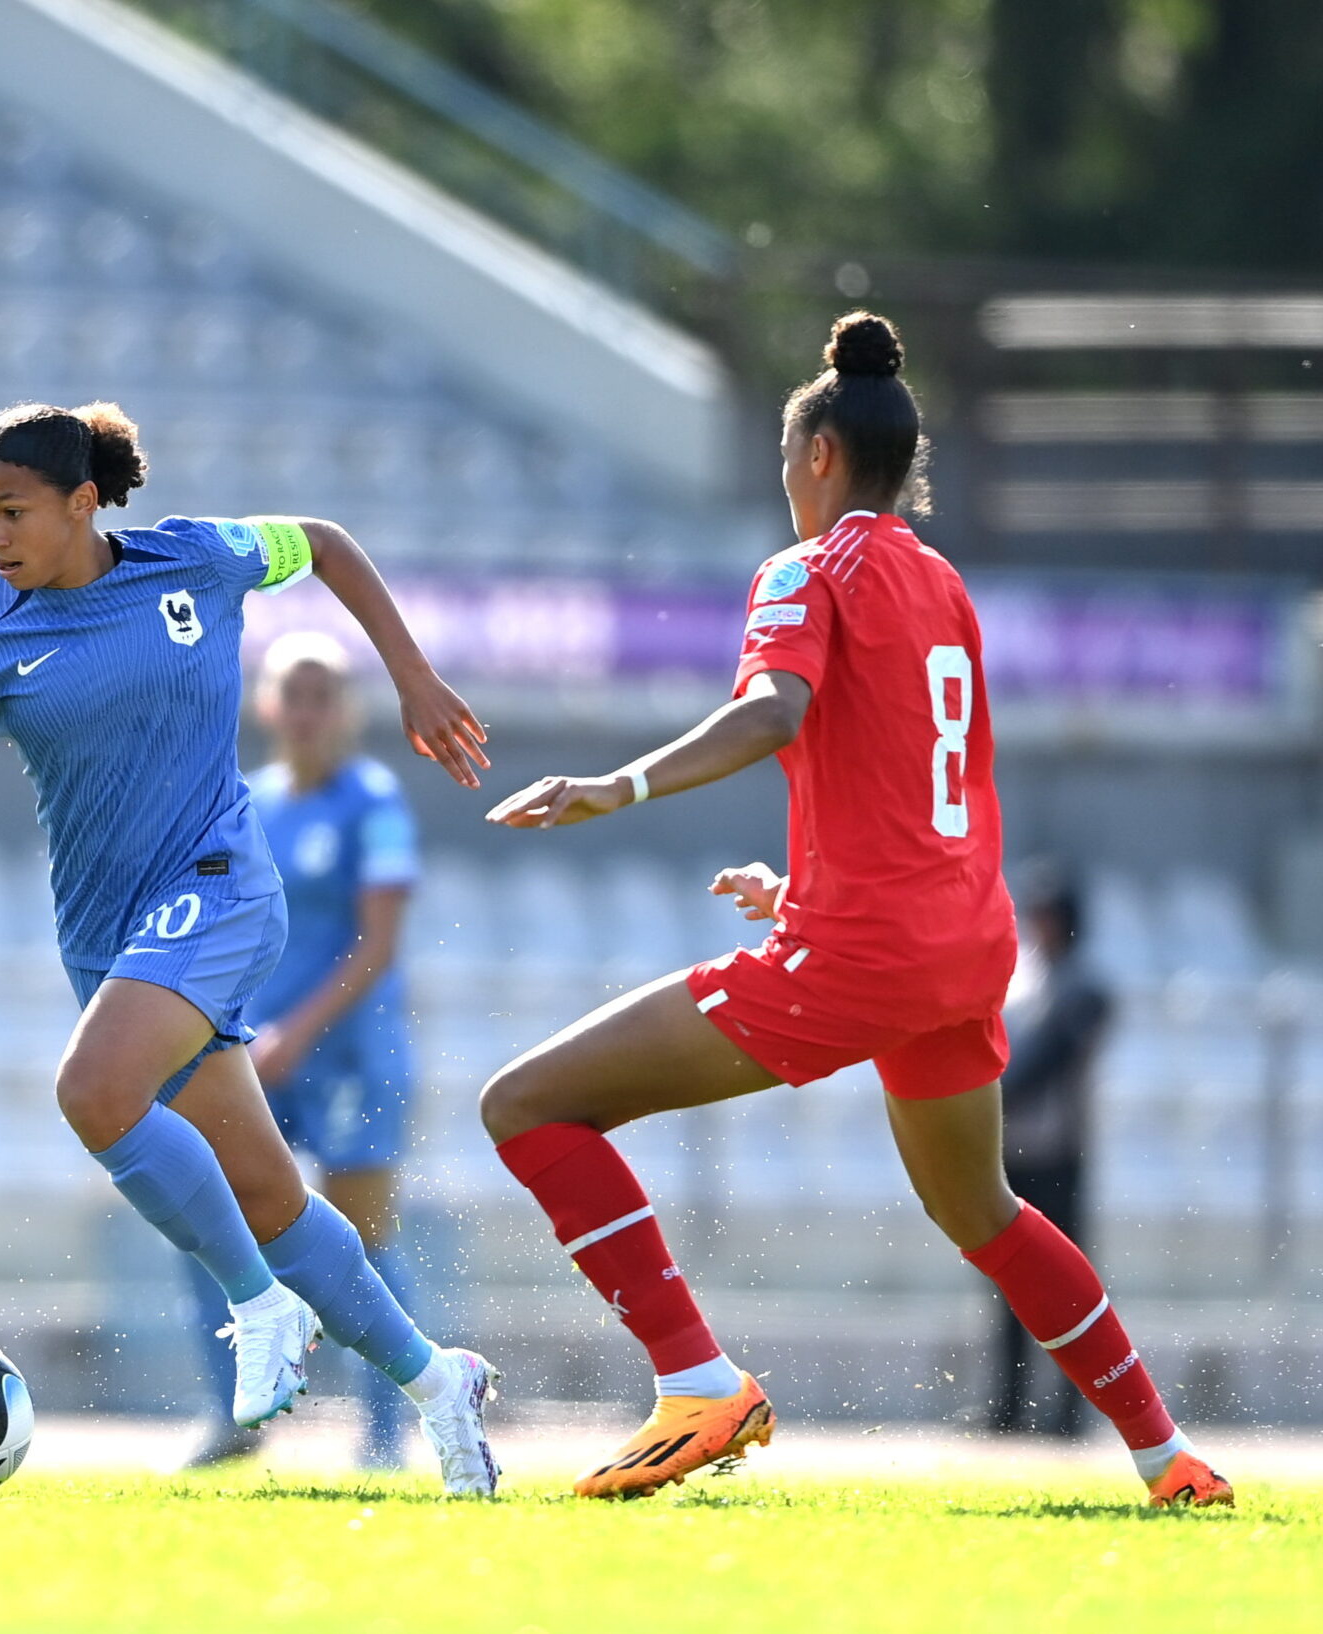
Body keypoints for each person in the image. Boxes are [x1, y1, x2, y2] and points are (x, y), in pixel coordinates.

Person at [478, 311, 1229, 1508]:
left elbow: (774, 711)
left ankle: (695, 1383)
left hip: (868, 953)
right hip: (959, 943)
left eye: (787, 462)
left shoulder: (804, 568)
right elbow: (925, 785)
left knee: (523, 1103)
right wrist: (803, 889)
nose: (785, 484)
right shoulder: (942, 584)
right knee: (980, 1206)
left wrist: (614, 786)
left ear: (817, 454)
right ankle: (1164, 1455)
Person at [0, 402, 504, 1496]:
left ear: (83, 502)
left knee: (92, 1091)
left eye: (13, 511)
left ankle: (255, 1303)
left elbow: (323, 541)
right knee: (273, 1198)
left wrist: (413, 677)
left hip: (220, 888)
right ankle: (438, 1383)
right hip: (106, 934)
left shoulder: (196, 556)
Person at [181, 633, 427, 1470]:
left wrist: (299, 1029)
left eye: (325, 694)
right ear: (266, 705)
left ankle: (390, 1436)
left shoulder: (374, 802)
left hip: (351, 1053)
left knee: (360, 1240)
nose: (309, 710)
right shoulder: (249, 803)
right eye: (296, 692)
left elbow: (378, 943)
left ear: (348, 709)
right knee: (207, 1216)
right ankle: (236, 1419)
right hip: (254, 1054)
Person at [989, 860, 1112, 1436]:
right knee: (1009, 1288)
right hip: (1012, 1151)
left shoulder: (1085, 986)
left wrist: (989, 1095)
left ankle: (1067, 1411)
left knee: (1065, 1290)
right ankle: (1007, 1406)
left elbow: (1048, 1058)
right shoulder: (1024, 979)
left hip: (1059, 1153)